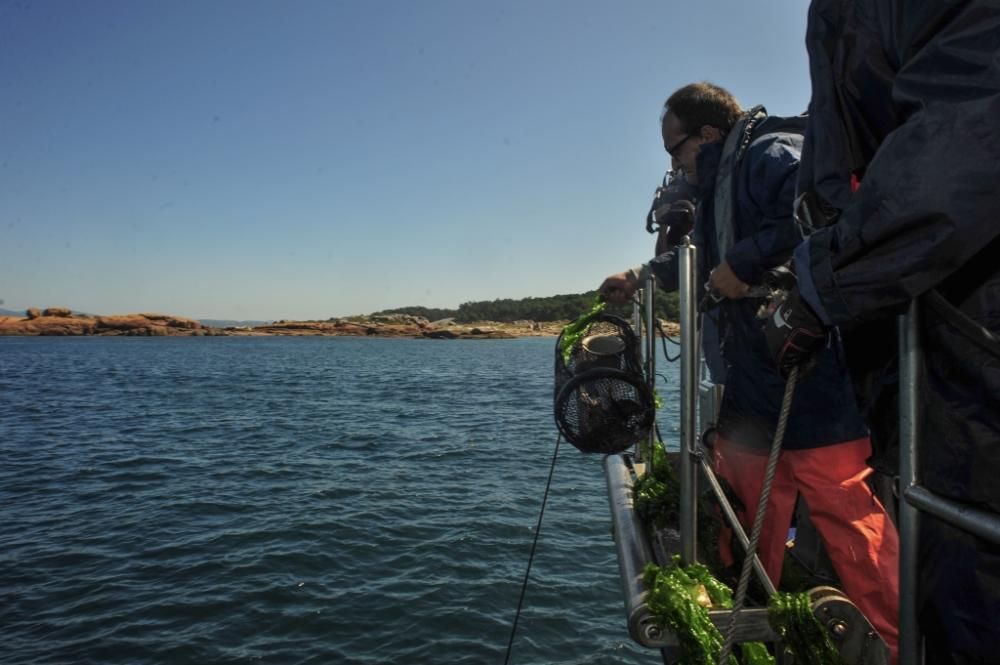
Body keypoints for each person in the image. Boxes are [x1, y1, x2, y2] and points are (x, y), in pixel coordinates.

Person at [601, 82, 900, 659]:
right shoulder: (722, 182)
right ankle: (748, 602)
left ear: (708, 134)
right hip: (751, 373)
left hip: (809, 370)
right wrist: (642, 274)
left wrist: (743, 263)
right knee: (747, 494)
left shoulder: (768, 156)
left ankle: (895, 639)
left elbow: (820, 209)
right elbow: (704, 257)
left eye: (675, 149)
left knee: (840, 503)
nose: (673, 164)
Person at [764, 3, 1000, 663]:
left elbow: (971, 134)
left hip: (970, 357)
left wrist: (821, 283)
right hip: (923, 349)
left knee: (968, 592)